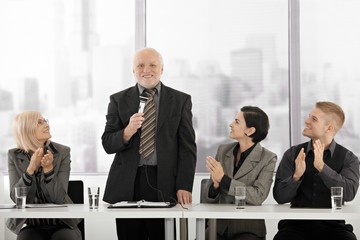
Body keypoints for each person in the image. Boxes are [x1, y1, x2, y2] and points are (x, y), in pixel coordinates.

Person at [101, 47, 197, 240]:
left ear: (162, 69)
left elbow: (187, 148)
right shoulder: (118, 100)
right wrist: (127, 131)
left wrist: (184, 185)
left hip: (164, 181)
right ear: (133, 70)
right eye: (141, 65)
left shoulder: (180, 100)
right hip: (127, 183)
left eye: (153, 65)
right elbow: (108, 144)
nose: (147, 70)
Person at [273, 101, 360, 240]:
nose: (306, 121)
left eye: (314, 119)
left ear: (329, 128)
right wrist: (296, 177)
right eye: (309, 116)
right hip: (295, 227)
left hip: (333, 227)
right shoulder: (292, 153)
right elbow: (280, 197)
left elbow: (349, 194)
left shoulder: (349, 158)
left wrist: (322, 168)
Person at [204, 106, 277, 240]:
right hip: (219, 228)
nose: (231, 124)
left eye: (237, 122)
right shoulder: (223, 150)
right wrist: (215, 185)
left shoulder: (268, 158)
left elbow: (258, 196)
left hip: (248, 229)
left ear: (250, 131)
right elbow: (209, 198)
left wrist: (224, 180)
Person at [6, 111, 82, 240]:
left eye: (45, 121)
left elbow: (59, 199)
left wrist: (48, 170)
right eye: (40, 122)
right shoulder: (13, 155)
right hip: (32, 226)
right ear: (26, 129)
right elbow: (16, 198)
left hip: (63, 224)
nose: (46, 125)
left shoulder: (62, 152)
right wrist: (30, 169)